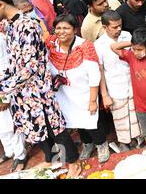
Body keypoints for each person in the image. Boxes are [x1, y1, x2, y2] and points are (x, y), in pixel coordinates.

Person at [0, 0, 80, 177]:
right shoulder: (11, 26)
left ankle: (73, 162)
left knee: (54, 128)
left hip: (38, 91)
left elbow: (28, 69)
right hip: (23, 92)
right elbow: (14, 64)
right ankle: (50, 159)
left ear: (0, 4)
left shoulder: (27, 26)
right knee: (36, 129)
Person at [46, 14, 110, 163]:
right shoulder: (51, 45)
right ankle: (87, 144)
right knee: (74, 120)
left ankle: (101, 144)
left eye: (66, 28)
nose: (62, 31)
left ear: (75, 30)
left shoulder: (85, 46)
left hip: (84, 93)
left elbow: (94, 75)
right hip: (63, 94)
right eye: (58, 28)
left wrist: (93, 100)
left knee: (91, 120)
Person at [94, 11, 142, 151]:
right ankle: (124, 143)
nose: (118, 29)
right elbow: (100, 71)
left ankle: (138, 140)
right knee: (120, 118)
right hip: (115, 86)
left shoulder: (127, 36)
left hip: (133, 83)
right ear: (105, 27)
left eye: (120, 25)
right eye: (114, 27)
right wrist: (105, 95)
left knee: (136, 115)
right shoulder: (99, 44)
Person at [0, 24, 26, 172]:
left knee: (8, 124)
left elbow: (6, 68)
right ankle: (9, 152)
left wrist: (4, 97)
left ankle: (20, 155)